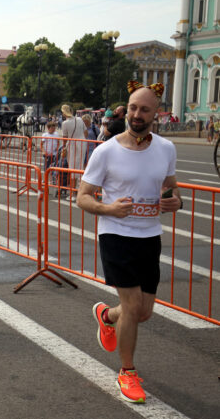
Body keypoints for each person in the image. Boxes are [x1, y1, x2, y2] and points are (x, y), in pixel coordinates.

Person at [77, 81, 182, 404]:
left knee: (143, 312)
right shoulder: (107, 150)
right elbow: (82, 197)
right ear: (126, 108)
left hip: (150, 236)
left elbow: (172, 189)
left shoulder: (166, 149)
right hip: (116, 235)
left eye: (144, 109)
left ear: (156, 113)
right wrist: (108, 208)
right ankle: (127, 372)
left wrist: (175, 201)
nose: (137, 114)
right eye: (133, 107)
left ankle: (107, 316)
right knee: (134, 307)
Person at [60, 104, 86, 199]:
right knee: (80, 168)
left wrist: (63, 147)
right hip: (82, 143)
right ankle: (80, 191)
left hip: (72, 145)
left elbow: (65, 138)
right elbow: (85, 132)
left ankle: (73, 193)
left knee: (72, 169)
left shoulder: (65, 123)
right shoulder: (79, 119)